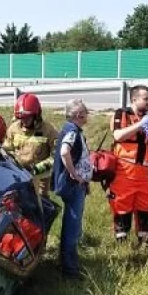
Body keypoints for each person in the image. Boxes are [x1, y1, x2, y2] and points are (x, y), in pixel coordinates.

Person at [108, 85, 148, 246]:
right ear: (134, 99)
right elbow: (118, 135)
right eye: (145, 99)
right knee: (122, 208)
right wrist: (140, 125)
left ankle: (144, 244)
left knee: (144, 210)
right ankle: (122, 246)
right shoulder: (122, 114)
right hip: (124, 170)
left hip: (143, 171)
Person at [52, 99, 92, 279]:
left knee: (71, 224)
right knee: (72, 226)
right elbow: (64, 151)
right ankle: (70, 270)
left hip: (75, 185)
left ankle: (66, 263)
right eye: (85, 113)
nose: (87, 116)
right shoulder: (72, 131)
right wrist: (75, 175)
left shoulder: (68, 129)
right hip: (73, 186)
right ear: (78, 115)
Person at [3, 93, 58, 191]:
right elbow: (7, 150)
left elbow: (56, 155)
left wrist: (39, 169)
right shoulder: (13, 129)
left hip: (40, 179)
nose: (24, 121)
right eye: (21, 118)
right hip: (19, 175)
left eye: (27, 117)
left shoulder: (48, 130)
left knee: (40, 204)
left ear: (36, 115)